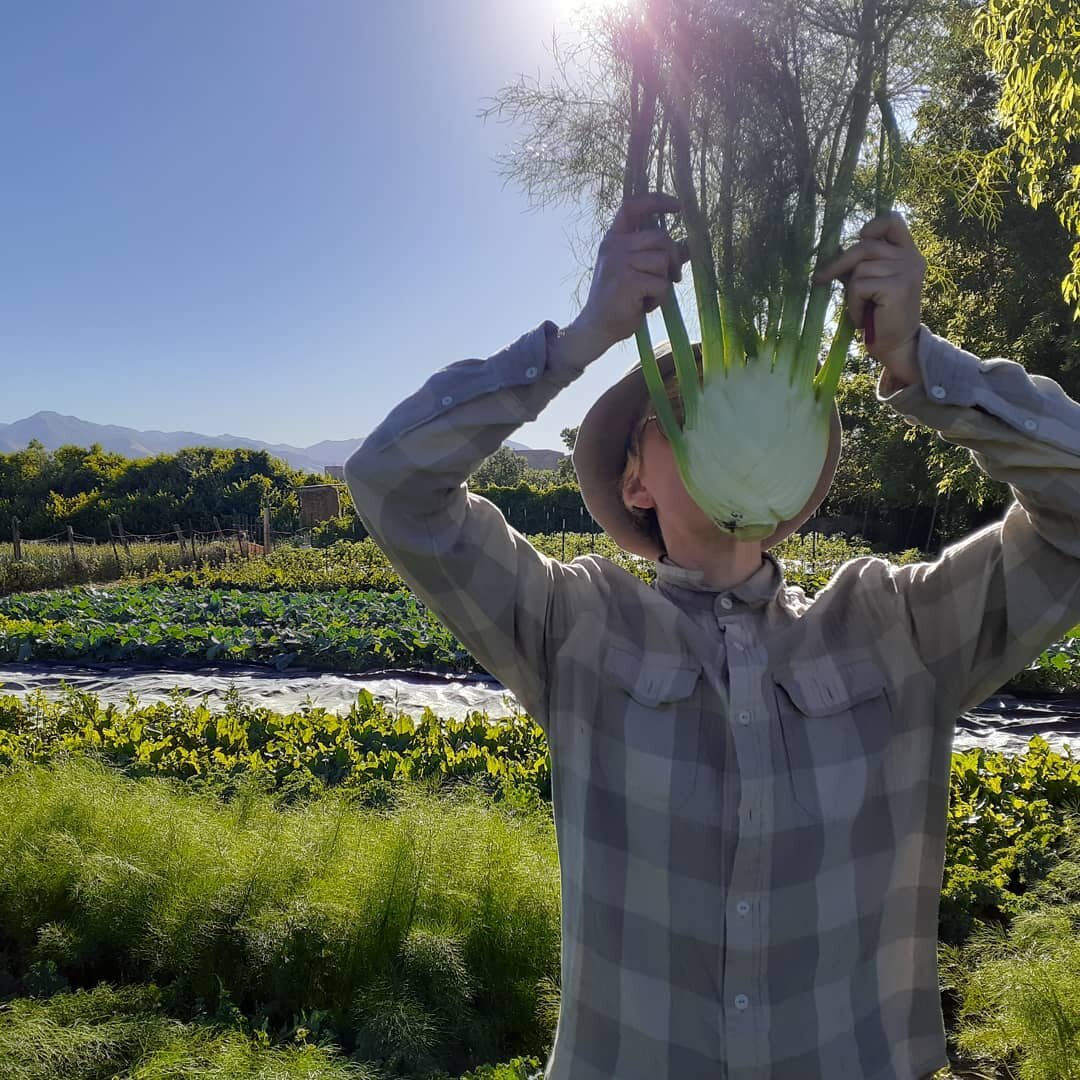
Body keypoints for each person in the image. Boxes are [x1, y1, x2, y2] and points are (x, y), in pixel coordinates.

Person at [345, 192, 1080, 1079]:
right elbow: (392, 481)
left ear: (796, 451)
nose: (723, 418)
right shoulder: (574, 627)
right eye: (685, 406)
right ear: (635, 482)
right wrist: (579, 341)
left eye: (746, 401)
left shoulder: (901, 628)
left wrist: (924, 363)